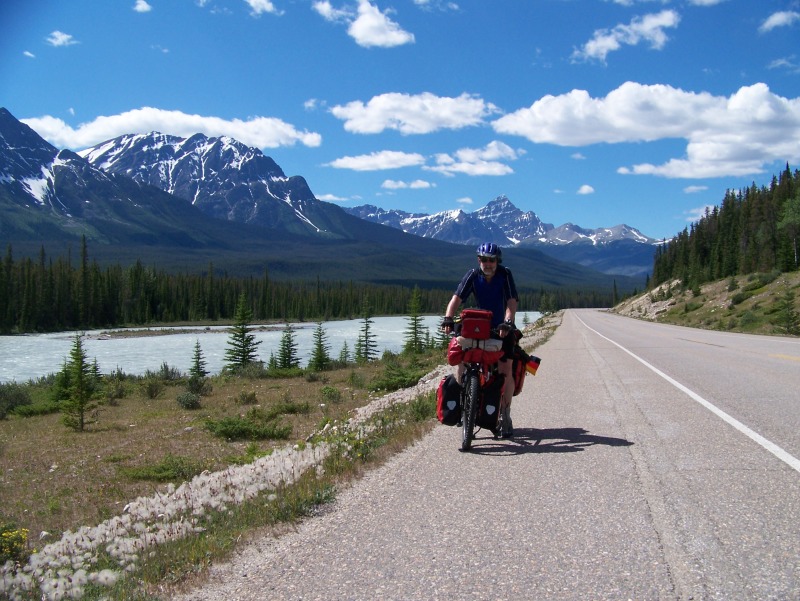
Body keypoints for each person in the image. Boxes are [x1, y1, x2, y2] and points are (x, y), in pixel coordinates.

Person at [441, 242, 519, 437]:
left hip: (501, 327)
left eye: (491, 260)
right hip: (479, 326)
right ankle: (462, 404)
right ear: (479, 260)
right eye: (484, 259)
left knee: (506, 369)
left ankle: (505, 414)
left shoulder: (505, 275)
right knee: (461, 358)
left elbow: (511, 301)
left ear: (497, 261)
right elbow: (457, 298)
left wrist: (508, 322)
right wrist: (448, 318)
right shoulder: (473, 275)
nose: (488, 263)